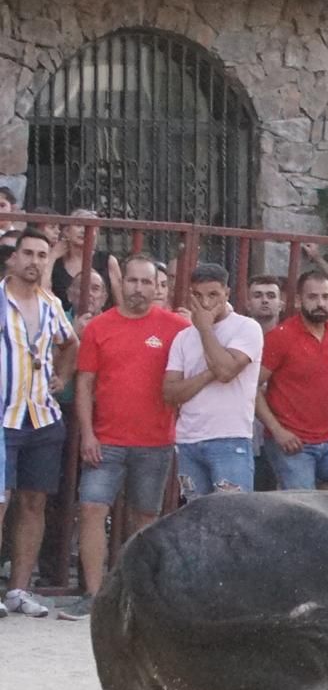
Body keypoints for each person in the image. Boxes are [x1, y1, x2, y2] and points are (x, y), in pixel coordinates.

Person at [59, 255, 190, 621]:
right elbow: (84, 384)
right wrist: (87, 433)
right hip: (106, 439)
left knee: (144, 519)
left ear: (156, 287)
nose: (138, 288)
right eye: (132, 281)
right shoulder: (101, 327)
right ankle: (94, 594)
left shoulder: (177, 327)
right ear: (124, 284)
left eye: (146, 282)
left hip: (155, 441)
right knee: (90, 509)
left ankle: (137, 597)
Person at [2, 228, 77, 618]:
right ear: (12, 258)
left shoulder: (50, 303)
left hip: (42, 416)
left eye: (41, 255)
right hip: (4, 416)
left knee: (35, 502)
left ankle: (19, 590)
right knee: (0, 502)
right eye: (27, 253)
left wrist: (61, 378)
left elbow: (70, 343)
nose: (34, 261)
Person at [162, 263, 263, 498]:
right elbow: (170, 393)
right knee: (195, 515)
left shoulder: (247, 328)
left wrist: (205, 329)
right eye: (198, 296)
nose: (205, 304)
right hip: (189, 440)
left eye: (213, 295)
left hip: (229, 437)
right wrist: (209, 373)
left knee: (233, 516)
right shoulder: (182, 338)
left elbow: (226, 372)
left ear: (227, 294)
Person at [257, 271, 328, 490]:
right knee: (303, 508)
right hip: (292, 441)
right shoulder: (281, 336)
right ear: (298, 300)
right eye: (312, 297)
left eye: (326, 297)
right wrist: (277, 431)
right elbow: (251, 387)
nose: (320, 303)